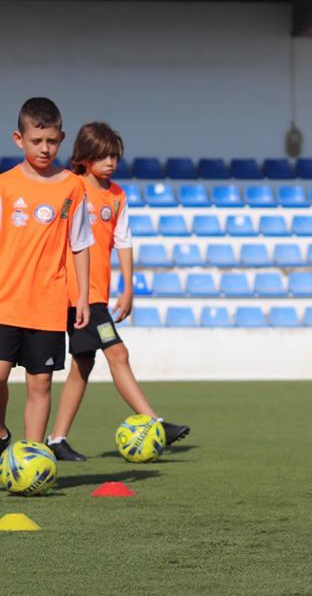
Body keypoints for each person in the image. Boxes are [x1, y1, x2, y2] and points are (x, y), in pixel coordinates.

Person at [47, 121, 189, 462]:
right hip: (77, 294)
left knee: (83, 363)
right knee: (118, 353)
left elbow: (123, 241)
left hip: (97, 293)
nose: (110, 162)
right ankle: (155, 423)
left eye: (114, 156)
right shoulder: (71, 187)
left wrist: (128, 288)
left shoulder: (117, 195)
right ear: (84, 157)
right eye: (102, 156)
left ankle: (57, 439)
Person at [0, 97, 93, 453]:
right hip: (5, 300)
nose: (44, 148)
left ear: (62, 138)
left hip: (48, 304)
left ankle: (32, 457)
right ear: (18, 139)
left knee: (39, 383)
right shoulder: (5, 185)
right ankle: (2, 436)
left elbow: (80, 244)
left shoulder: (72, 186)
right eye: (36, 141)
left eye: (52, 141)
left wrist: (81, 296)